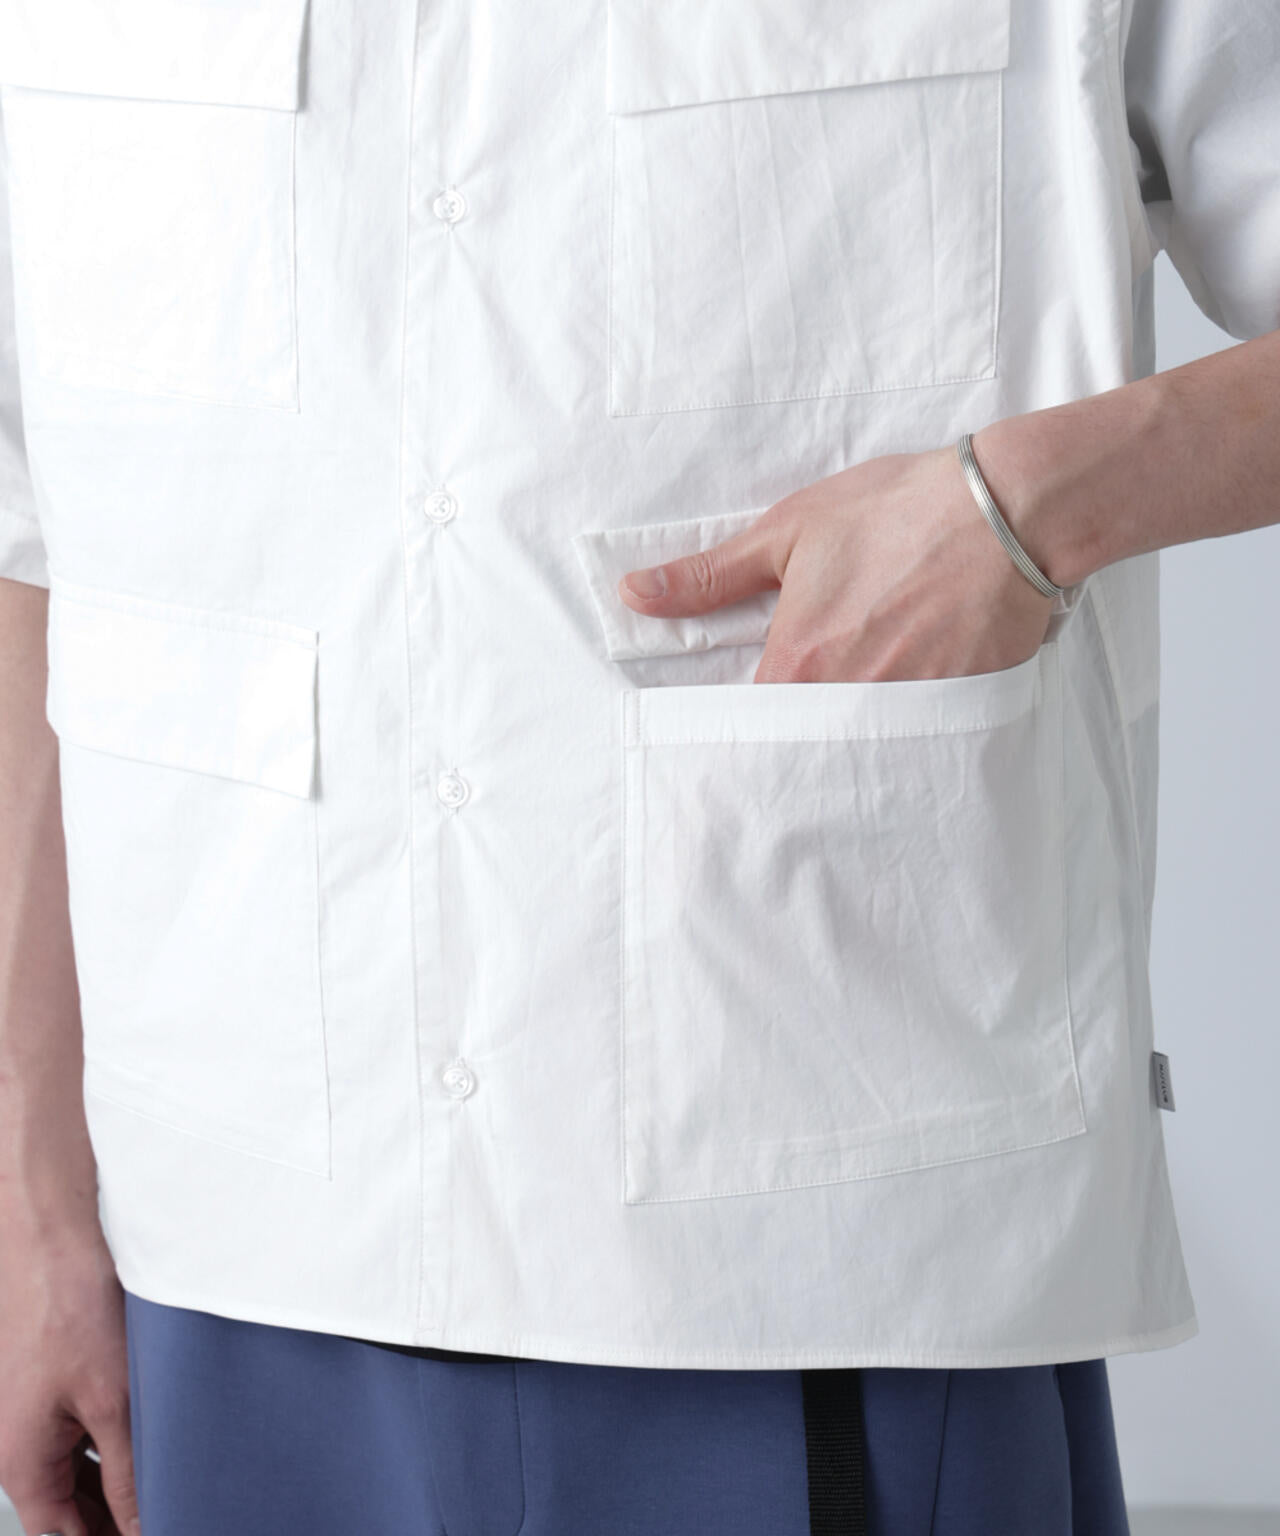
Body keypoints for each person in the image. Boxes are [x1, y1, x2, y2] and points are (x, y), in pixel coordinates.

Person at [0, 0, 1276, 1532]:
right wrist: (31, 1201)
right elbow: (50, 536)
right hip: (222, 1235)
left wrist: (1029, 504)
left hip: (817, 1233)